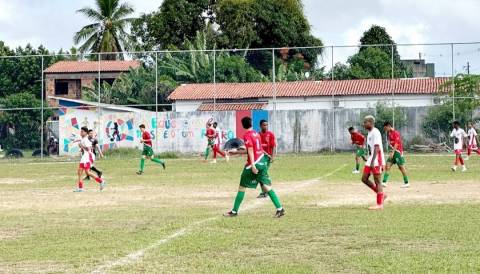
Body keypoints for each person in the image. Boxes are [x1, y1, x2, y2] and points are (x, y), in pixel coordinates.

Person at [224, 117, 285, 218]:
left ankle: (234, 211)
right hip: (262, 162)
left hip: (254, 164)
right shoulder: (257, 134)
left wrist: (252, 165)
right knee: (266, 186)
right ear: (251, 124)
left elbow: (251, 150)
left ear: (243, 125)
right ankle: (280, 209)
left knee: (242, 187)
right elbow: (252, 149)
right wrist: (235, 152)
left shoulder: (247, 135)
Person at [361, 116, 386, 210]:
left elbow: (377, 148)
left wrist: (372, 161)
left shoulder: (375, 132)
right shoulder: (369, 133)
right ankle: (382, 195)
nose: (363, 124)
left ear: (370, 122)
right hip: (371, 159)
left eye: (365, 122)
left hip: (376, 160)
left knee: (378, 181)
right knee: (364, 178)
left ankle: (379, 204)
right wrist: (368, 158)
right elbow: (372, 149)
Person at [74, 127, 106, 192]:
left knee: (87, 172)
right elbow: (85, 148)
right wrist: (80, 147)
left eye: (82, 131)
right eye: (81, 131)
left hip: (87, 157)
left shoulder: (85, 140)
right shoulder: (83, 139)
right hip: (84, 157)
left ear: (86, 133)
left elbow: (88, 149)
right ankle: (80, 188)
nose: (81, 133)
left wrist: (81, 146)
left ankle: (101, 181)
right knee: (79, 172)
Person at [382, 122, 409, 188]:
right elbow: (392, 143)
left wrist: (393, 152)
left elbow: (396, 144)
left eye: (385, 128)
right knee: (387, 165)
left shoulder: (396, 133)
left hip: (397, 152)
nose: (385, 130)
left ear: (388, 126)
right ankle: (384, 182)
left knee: (401, 167)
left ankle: (406, 182)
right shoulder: (389, 133)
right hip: (393, 151)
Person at [257, 119, 277, 198]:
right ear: (260, 126)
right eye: (264, 125)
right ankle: (265, 191)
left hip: (267, 158)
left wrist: (272, 156)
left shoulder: (270, 134)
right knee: (260, 174)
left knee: (262, 174)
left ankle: (265, 191)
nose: (265, 126)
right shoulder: (258, 135)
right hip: (259, 157)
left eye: (266, 125)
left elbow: (273, 146)